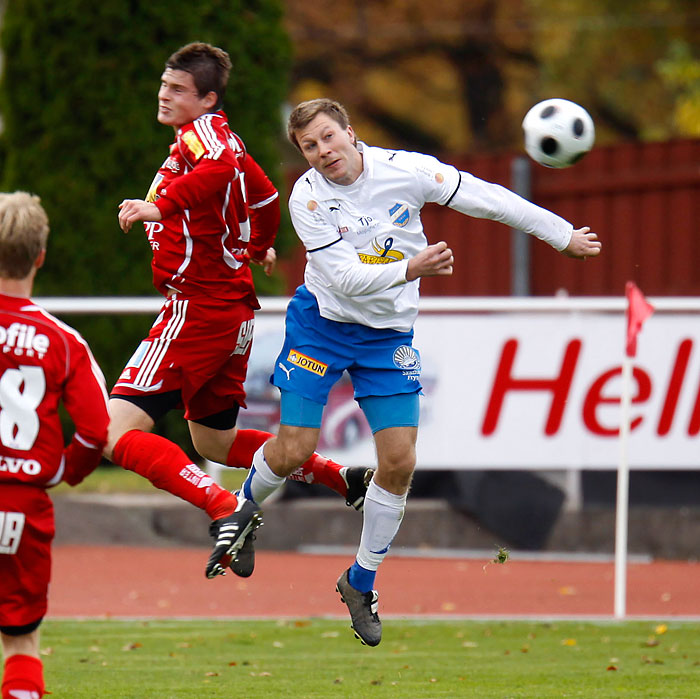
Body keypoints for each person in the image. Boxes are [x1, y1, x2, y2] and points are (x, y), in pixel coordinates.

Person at [238, 97, 602, 646]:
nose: (322, 152)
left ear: (350, 132)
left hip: (387, 338)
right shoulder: (308, 196)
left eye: (328, 138)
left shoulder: (405, 170)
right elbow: (343, 280)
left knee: (401, 461)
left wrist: (561, 234)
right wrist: (413, 266)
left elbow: (489, 199)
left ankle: (360, 581)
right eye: (310, 147)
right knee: (292, 448)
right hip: (323, 325)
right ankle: (239, 513)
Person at [108, 43, 370, 581]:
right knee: (216, 442)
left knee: (113, 433)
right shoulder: (223, 135)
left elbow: (223, 169)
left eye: (178, 89)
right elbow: (267, 194)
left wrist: (160, 204)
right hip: (231, 311)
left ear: (207, 99)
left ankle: (227, 508)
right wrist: (260, 245)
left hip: (195, 309)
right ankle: (338, 477)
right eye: (164, 83)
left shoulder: (203, 135)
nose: (165, 94)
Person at [0, 192, 111, 699]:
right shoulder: (63, 341)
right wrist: (68, 468)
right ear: (40, 256)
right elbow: (95, 427)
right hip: (22, 504)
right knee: (20, 640)